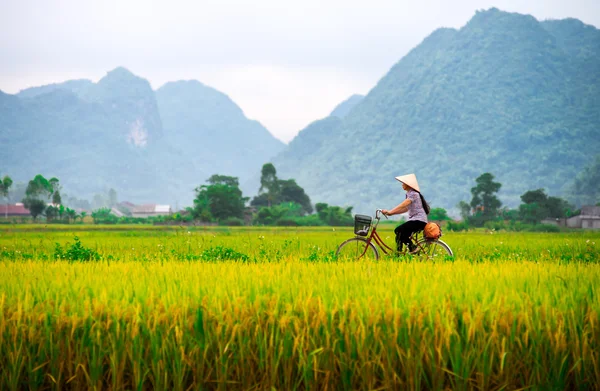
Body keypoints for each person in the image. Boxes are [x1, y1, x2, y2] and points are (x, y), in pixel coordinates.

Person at [382, 173, 430, 253]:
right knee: (399, 236)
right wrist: (391, 213)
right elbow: (405, 209)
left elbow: (404, 204)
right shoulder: (410, 194)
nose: (402, 185)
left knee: (398, 230)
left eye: (403, 183)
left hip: (418, 221)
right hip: (416, 221)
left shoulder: (414, 194)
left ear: (408, 185)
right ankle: (398, 255)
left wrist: (390, 211)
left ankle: (413, 248)